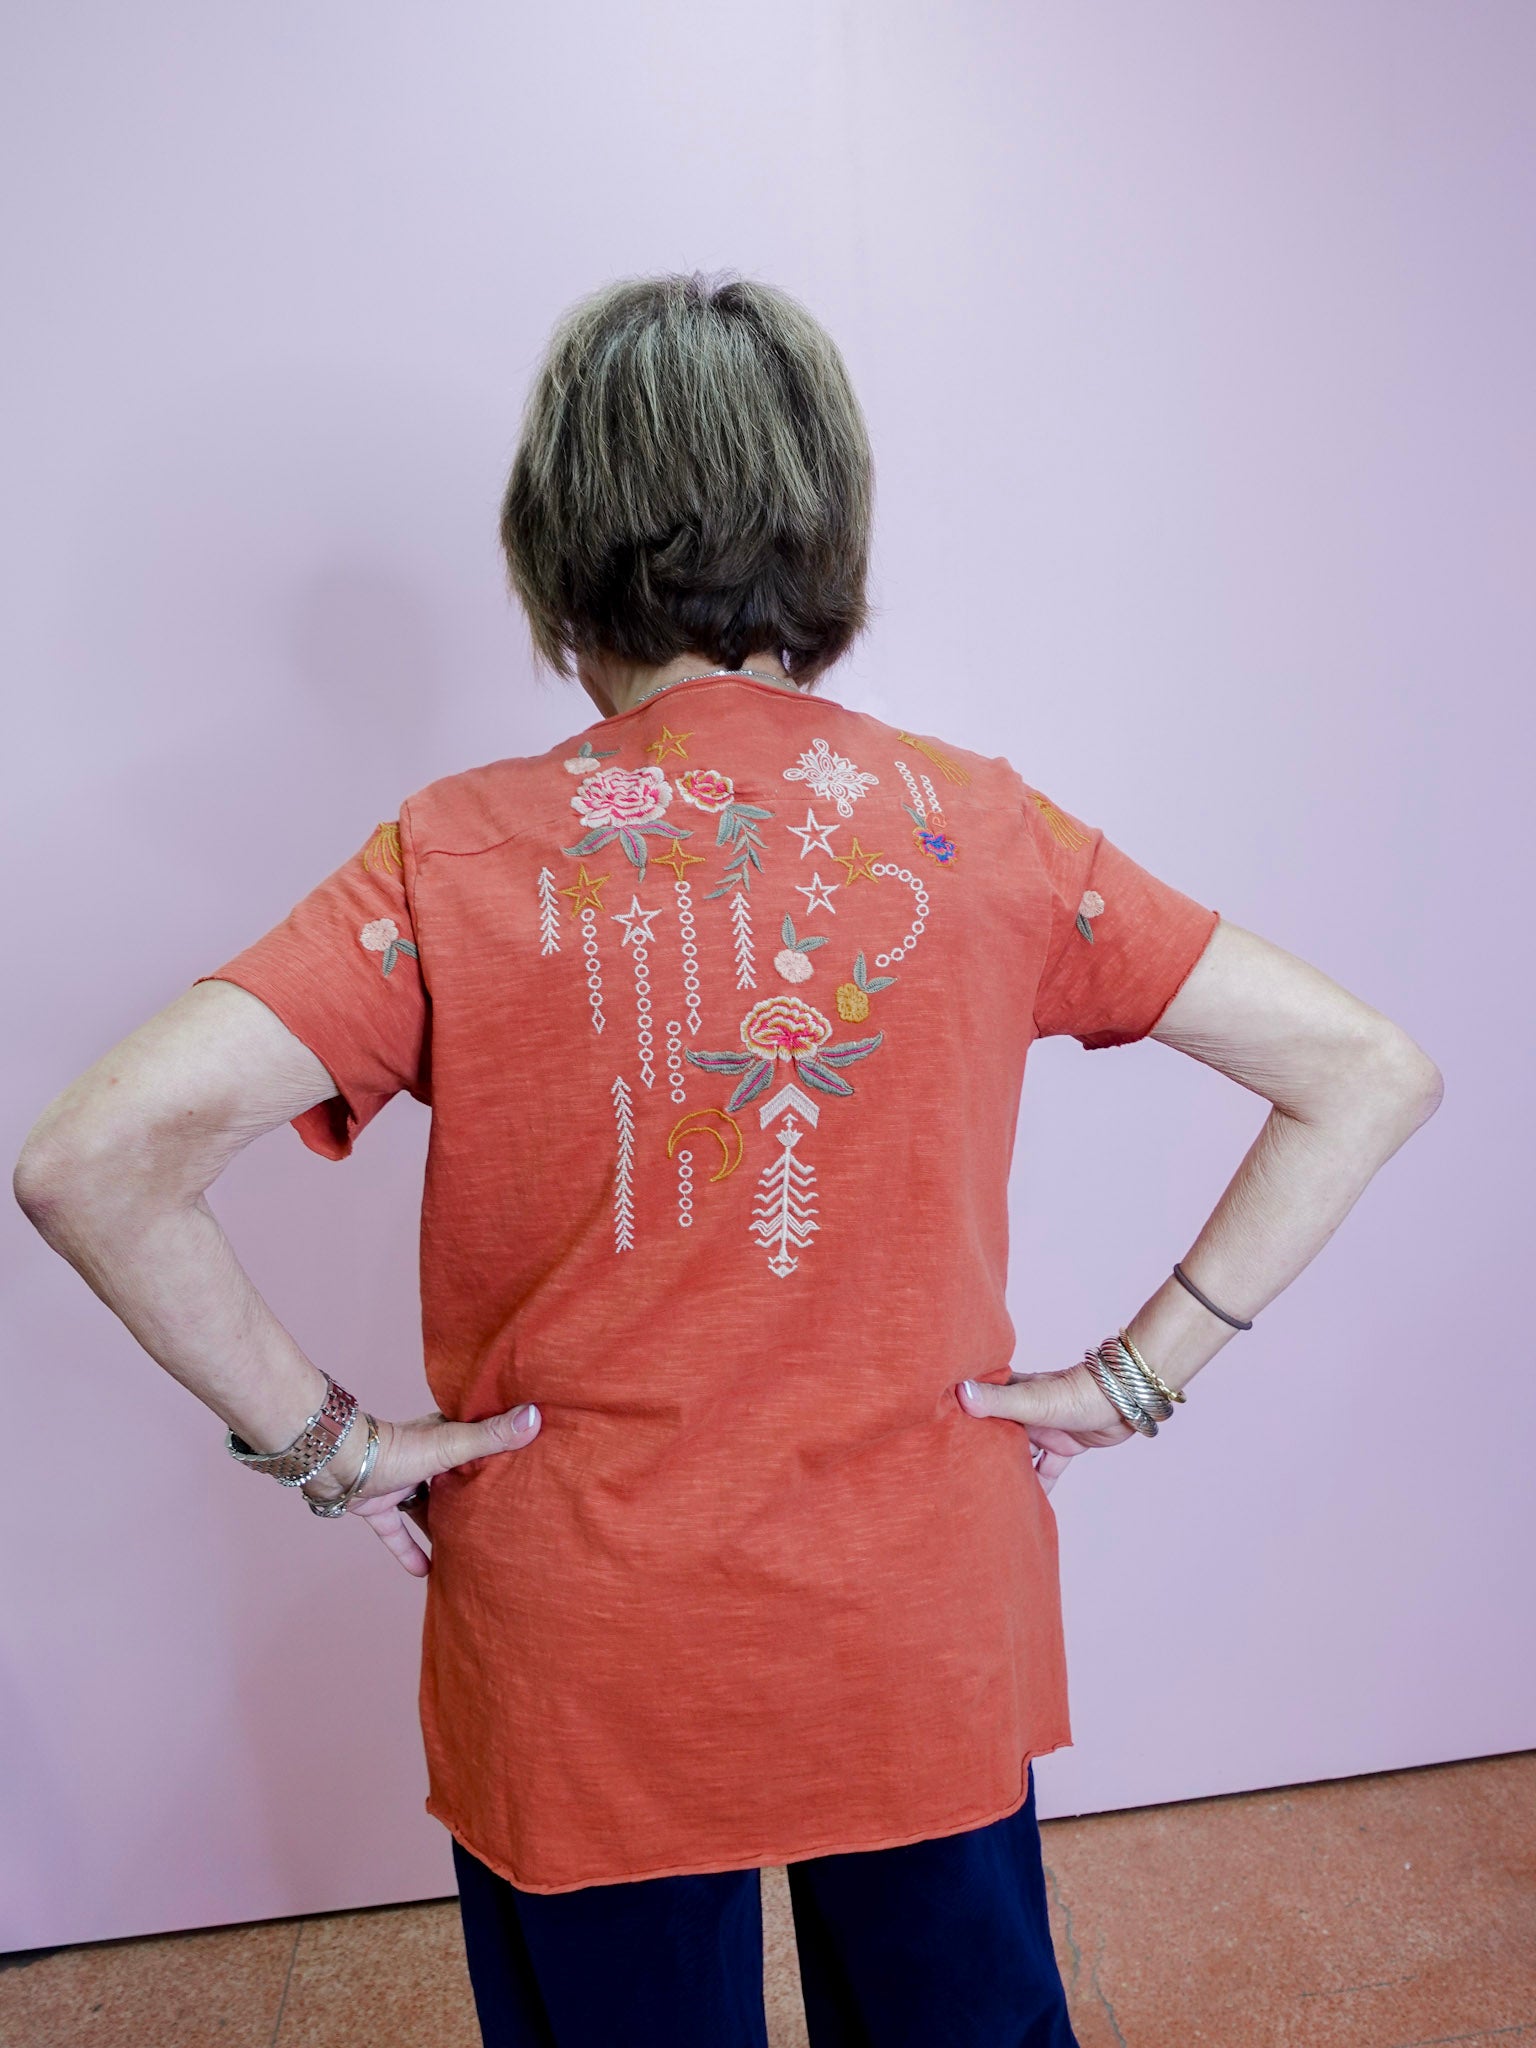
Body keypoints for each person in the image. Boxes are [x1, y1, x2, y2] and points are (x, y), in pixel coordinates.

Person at [13, 272, 1443, 2048]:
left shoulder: (454, 858)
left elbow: (96, 1158)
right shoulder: (978, 826)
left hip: (585, 1643)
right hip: (916, 1614)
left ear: (555, 540)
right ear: (827, 526)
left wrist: (340, 1454)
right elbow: (1367, 1071)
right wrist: (1135, 1380)